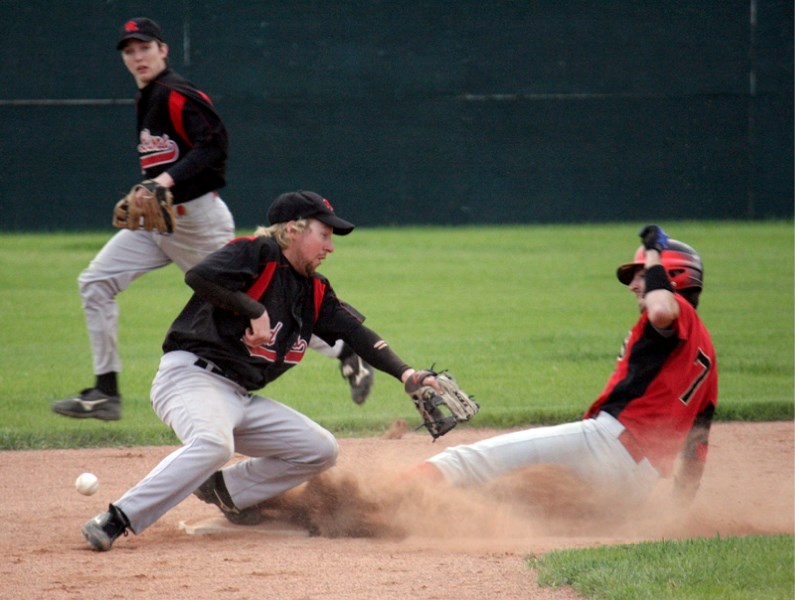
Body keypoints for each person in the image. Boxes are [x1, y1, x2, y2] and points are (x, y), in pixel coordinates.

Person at [80, 190, 443, 551]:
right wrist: (253, 310)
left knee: (320, 449)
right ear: (293, 230)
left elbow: (357, 335)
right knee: (214, 444)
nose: (330, 246)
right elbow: (200, 277)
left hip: (239, 396)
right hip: (191, 377)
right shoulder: (257, 252)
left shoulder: (314, 290)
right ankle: (118, 517)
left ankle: (226, 490)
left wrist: (407, 374)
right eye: (324, 234)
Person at [51, 17, 371, 421]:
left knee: (258, 301)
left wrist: (163, 181)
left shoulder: (175, 94)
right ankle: (106, 391)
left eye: (145, 47)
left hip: (197, 221)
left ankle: (346, 350)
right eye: (130, 51)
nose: (138, 56)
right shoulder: (147, 98)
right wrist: (157, 187)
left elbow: (214, 146)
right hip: (159, 223)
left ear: (163, 50)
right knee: (95, 283)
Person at [409, 225, 717, 508]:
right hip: (633, 491)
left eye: (643, 274)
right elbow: (697, 448)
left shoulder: (677, 311)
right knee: (517, 504)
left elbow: (661, 311)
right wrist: (680, 511)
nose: (634, 285)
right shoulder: (707, 358)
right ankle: (418, 517)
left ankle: (376, 502)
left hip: (606, 446)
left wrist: (653, 250)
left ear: (671, 275)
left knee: (465, 462)